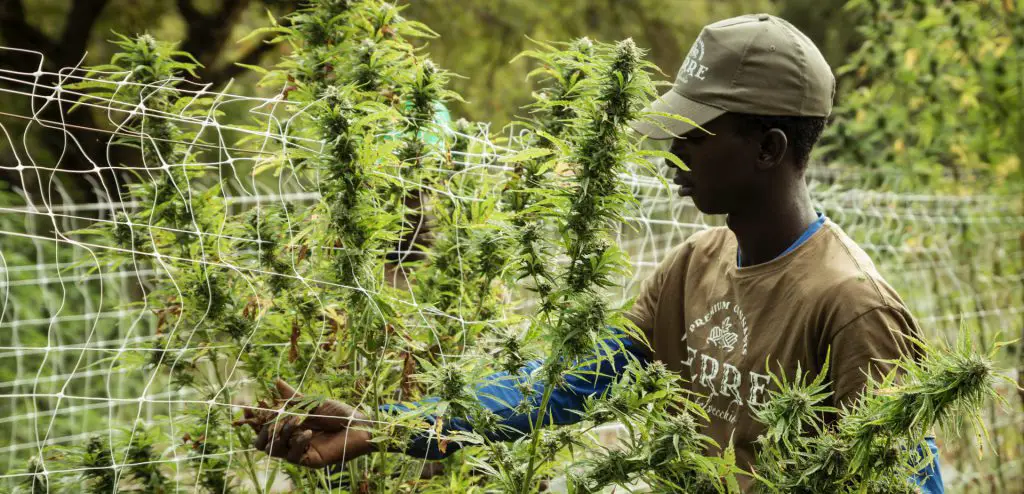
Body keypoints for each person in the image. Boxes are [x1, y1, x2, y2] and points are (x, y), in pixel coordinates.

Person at [236, 13, 944, 492]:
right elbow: (562, 383)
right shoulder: (691, 268)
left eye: (694, 135)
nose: (670, 150)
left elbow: (909, 476)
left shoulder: (850, 306)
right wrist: (383, 428)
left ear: (768, 148)